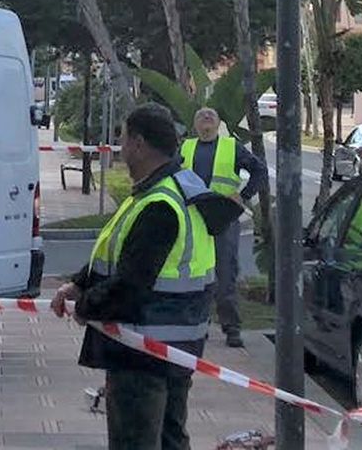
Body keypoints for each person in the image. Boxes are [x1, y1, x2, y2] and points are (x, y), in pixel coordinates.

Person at [53, 103, 237, 450]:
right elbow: (122, 254)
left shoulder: (159, 204)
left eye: (122, 139)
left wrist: (85, 307)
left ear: (138, 143)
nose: (120, 148)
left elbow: (131, 284)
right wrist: (80, 282)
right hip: (176, 347)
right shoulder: (176, 188)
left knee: (136, 441)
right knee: (170, 439)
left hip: (142, 351)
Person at [179, 107, 267, 348]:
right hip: (194, 219)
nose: (206, 117)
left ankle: (232, 327)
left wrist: (244, 195)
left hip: (223, 220)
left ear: (218, 124)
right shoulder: (185, 148)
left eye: (211, 115)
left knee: (225, 274)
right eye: (201, 116)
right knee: (194, 275)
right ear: (195, 125)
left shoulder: (232, 147)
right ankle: (198, 323)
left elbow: (260, 171)